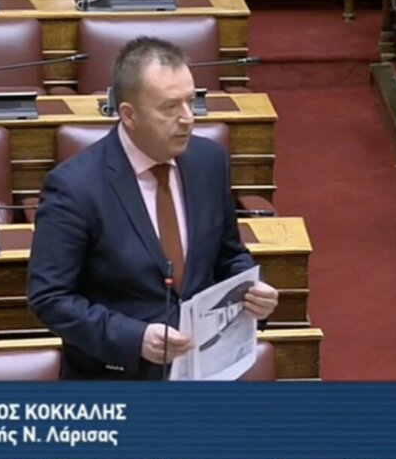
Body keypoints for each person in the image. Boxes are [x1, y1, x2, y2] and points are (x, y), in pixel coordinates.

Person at [27, 37, 279, 380]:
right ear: (129, 115)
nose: (188, 118)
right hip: (118, 380)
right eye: (170, 107)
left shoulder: (209, 161)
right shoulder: (75, 187)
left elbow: (229, 254)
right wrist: (136, 338)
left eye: (191, 101)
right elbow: (50, 298)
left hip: (206, 372)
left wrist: (252, 287)